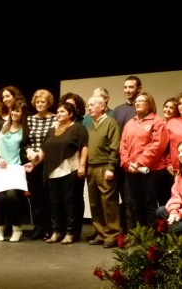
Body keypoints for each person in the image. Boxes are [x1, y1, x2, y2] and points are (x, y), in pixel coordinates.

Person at [37, 102, 89, 244]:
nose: (58, 114)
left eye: (62, 112)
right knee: (55, 203)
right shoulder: (51, 130)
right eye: (58, 112)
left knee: (69, 202)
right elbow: (44, 149)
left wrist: (82, 166)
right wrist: (34, 161)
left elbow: (84, 148)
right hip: (52, 171)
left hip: (69, 169)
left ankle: (70, 232)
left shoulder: (78, 128)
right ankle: (56, 231)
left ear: (71, 114)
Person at [119, 92, 169, 229]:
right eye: (137, 101)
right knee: (133, 204)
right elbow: (122, 145)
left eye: (142, 101)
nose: (138, 103)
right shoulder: (130, 123)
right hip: (131, 170)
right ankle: (137, 234)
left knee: (149, 204)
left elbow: (157, 145)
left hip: (150, 171)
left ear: (150, 104)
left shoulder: (157, 122)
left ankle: (151, 237)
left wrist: (139, 162)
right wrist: (127, 163)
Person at [0, 100, 33, 242]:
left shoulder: (25, 130)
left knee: (12, 196)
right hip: (0, 167)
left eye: (17, 111)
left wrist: (30, 160)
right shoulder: (1, 125)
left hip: (15, 169)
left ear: (22, 114)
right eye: (12, 110)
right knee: (0, 198)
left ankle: (17, 229)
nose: (14, 113)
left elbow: (26, 149)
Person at [86, 95, 121, 248]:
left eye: (93, 105)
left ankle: (112, 234)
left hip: (104, 166)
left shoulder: (110, 123)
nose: (90, 108)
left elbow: (115, 147)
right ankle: (100, 233)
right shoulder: (92, 125)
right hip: (91, 167)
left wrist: (111, 167)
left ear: (102, 107)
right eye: (89, 105)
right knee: (94, 203)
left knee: (109, 202)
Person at [26, 89, 57, 241]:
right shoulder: (30, 119)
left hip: (48, 163)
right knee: (36, 198)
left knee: (48, 198)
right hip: (32, 163)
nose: (39, 104)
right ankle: (38, 228)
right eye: (37, 102)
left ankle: (49, 229)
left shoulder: (55, 119)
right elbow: (25, 140)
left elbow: (53, 141)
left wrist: (40, 155)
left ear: (48, 103)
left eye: (42, 102)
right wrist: (29, 151)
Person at [113, 75, 142, 235]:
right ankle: (125, 231)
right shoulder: (118, 110)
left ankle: (138, 232)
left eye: (131, 87)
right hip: (120, 161)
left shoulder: (144, 108)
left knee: (135, 200)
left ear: (139, 88)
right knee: (124, 199)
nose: (127, 90)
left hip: (138, 163)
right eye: (125, 87)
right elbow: (116, 137)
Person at [59, 92, 87, 241]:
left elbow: (84, 146)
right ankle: (64, 230)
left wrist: (81, 165)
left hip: (77, 164)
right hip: (61, 167)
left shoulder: (82, 123)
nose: (69, 107)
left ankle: (75, 231)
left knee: (76, 197)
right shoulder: (59, 124)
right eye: (66, 105)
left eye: (72, 105)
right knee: (64, 199)